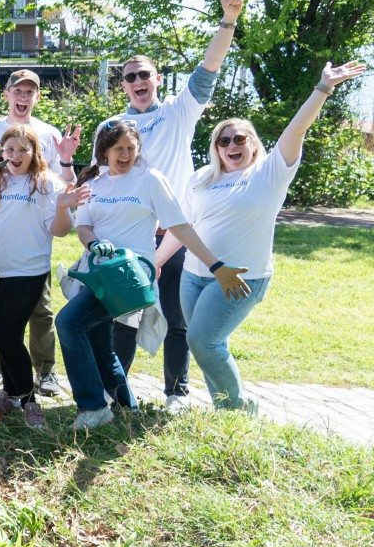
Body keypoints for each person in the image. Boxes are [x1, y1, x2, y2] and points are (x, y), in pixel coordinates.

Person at [157, 61, 366, 411]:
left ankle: (238, 409)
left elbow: (296, 130)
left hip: (241, 278)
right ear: (216, 147)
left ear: (253, 144)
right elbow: (184, 226)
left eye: (240, 138)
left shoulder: (269, 174)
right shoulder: (201, 178)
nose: (231, 145)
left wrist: (323, 88)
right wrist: (159, 261)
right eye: (224, 140)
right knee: (208, 344)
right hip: (194, 275)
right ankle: (224, 411)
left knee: (203, 340)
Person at [58, 119, 248, 429]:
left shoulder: (150, 180)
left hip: (130, 278)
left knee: (68, 323)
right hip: (100, 275)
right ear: (104, 151)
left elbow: (180, 226)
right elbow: (83, 226)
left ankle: (93, 406)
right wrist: (94, 243)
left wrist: (216, 266)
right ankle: (127, 408)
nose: (125, 155)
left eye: (131, 149)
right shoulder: (94, 183)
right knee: (99, 343)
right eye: (118, 149)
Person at [107, 0, 244, 410]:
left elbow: (209, 68)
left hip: (177, 232)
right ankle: (115, 392)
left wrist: (228, 20)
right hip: (131, 236)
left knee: (177, 318)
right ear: (123, 85)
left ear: (157, 78)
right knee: (124, 318)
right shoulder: (112, 126)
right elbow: (102, 177)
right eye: (130, 77)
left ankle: (176, 393)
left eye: (144, 74)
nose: (138, 82)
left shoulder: (178, 112)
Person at [0, 69, 80, 396]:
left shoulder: (48, 134)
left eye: (30, 91)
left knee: (39, 313)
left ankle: (42, 375)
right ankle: (1, 375)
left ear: (37, 97)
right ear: (7, 94)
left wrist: (68, 159)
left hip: (30, 261)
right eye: (18, 90)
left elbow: (60, 188)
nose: (24, 96)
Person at [0, 125, 89, 427]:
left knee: (7, 334)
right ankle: (11, 392)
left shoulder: (47, 183)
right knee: (1, 334)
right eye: (9, 150)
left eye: (23, 149)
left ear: (35, 152)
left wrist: (62, 208)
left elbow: (60, 230)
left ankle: (29, 401)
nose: (16, 155)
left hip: (28, 272)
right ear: (0, 151)